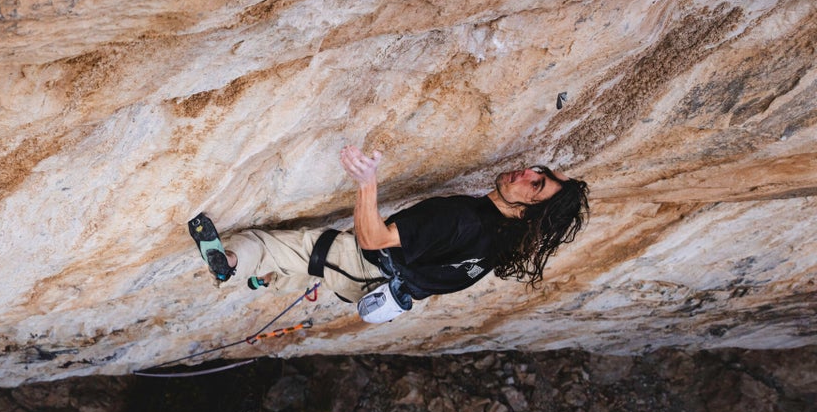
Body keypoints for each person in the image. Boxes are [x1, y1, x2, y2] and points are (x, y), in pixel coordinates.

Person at [215, 145, 590, 322]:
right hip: (383, 288)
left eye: (535, 185)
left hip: (366, 265)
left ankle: (230, 262)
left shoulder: (460, 219)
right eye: (537, 171)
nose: (524, 174)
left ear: (528, 213)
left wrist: (366, 183)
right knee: (314, 268)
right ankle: (265, 281)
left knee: (286, 246)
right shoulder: (500, 240)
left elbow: (372, 240)